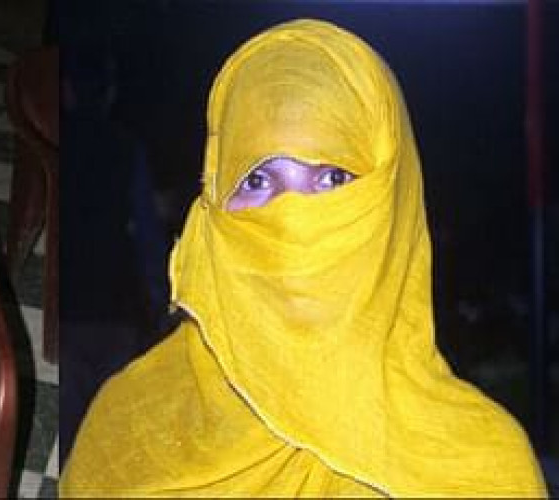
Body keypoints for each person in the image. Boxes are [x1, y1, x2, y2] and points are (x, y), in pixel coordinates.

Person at [60, 19, 546, 497]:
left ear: (394, 208)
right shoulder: (124, 433)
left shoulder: (483, 470)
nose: (292, 217)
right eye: (257, 180)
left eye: (333, 178)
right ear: (211, 206)